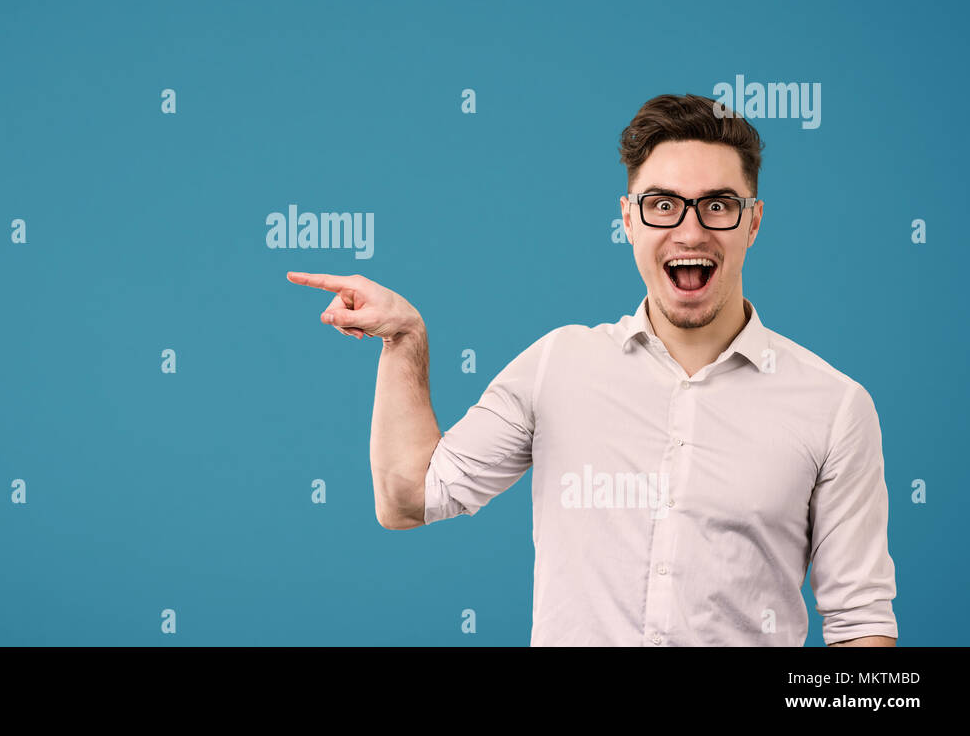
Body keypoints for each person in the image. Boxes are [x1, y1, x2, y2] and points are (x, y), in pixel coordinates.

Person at [286, 93, 898, 647]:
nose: (690, 230)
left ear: (753, 221)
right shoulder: (559, 365)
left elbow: (861, 625)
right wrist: (404, 341)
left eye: (717, 205)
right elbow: (408, 499)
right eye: (663, 205)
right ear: (629, 220)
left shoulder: (834, 406)